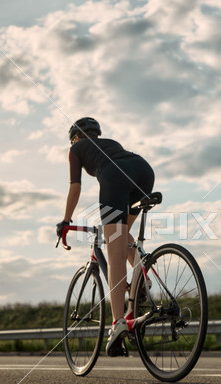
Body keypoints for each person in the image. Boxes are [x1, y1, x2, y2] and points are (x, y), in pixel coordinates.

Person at [56, 117, 155, 357]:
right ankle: (142, 280)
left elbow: (75, 186)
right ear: (96, 134)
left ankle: (117, 322)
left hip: (115, 177)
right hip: (144, 171)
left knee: (115, 252)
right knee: (122, 236)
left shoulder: (76, 149)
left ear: (76, 137)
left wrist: (66, 222)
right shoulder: (110, 143)